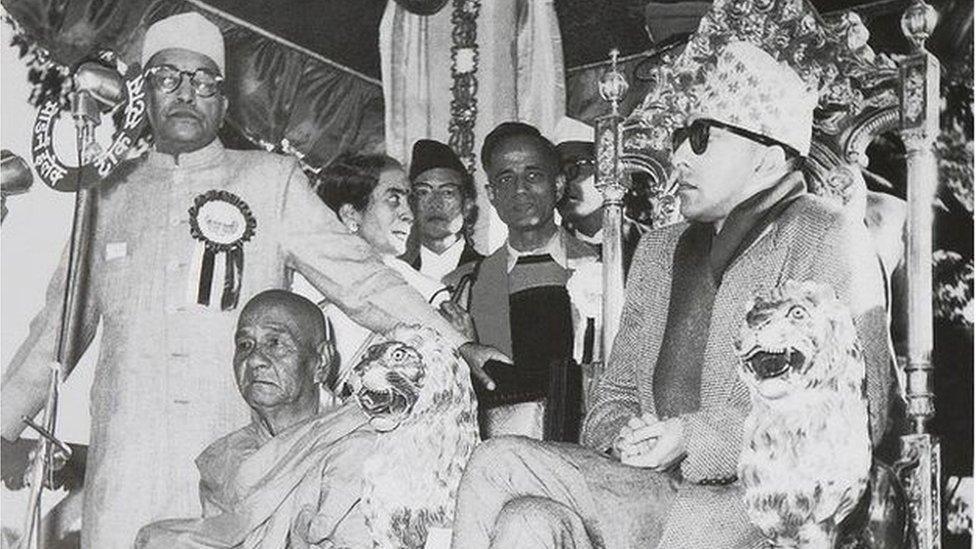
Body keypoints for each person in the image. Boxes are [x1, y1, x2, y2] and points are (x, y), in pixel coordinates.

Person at [0, 11, 501, 548]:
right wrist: (4, 426)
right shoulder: (105, 193)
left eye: (202, 81)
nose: (185, 93)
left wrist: (455, 344)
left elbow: (361, 281)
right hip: (126, 462)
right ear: (143, 93)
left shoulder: (270, 181)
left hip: (237, 463)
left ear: (224, 99)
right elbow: (57, 329)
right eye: (167, 78)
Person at [450, 40, 896, 548]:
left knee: (496, 461)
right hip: (646, 492)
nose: (678, 154)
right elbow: (613, 396)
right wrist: (622, 434)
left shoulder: (825, 236)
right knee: (525, 523)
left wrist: (690, 439)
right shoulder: (661, 250)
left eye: (702, 137)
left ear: (767, 159)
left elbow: (861, 415)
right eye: (681, 135)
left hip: (750, 513)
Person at [134, 290, 375, 548]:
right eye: (245, 345)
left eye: (275, 343)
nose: (254, 359)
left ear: (321, 362)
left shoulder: (357, 448)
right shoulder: (227, 457)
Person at [461, 122, 599, 442]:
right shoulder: (470, 285)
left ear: (559, 184)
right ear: (491, 194)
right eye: (506, 179)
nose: (520, 189)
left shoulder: (600, 268)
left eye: (534, 175)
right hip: (501, 458)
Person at [313, 153, 466, 384]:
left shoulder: (429, 293)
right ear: (350, 213)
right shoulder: (304, 287)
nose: (409, 215)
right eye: (393, 199)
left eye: (408, 200)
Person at [555, 140, 645, 275]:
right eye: (554, 175)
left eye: (571, 169)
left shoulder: (648, 241)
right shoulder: (548, 251)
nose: (562, 184)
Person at [402, 139, 483, 282]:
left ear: (467, 206)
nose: (435, 203)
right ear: (411, 205)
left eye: (447, 193)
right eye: (423, 192)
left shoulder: (488, 272)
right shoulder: (397, 275)